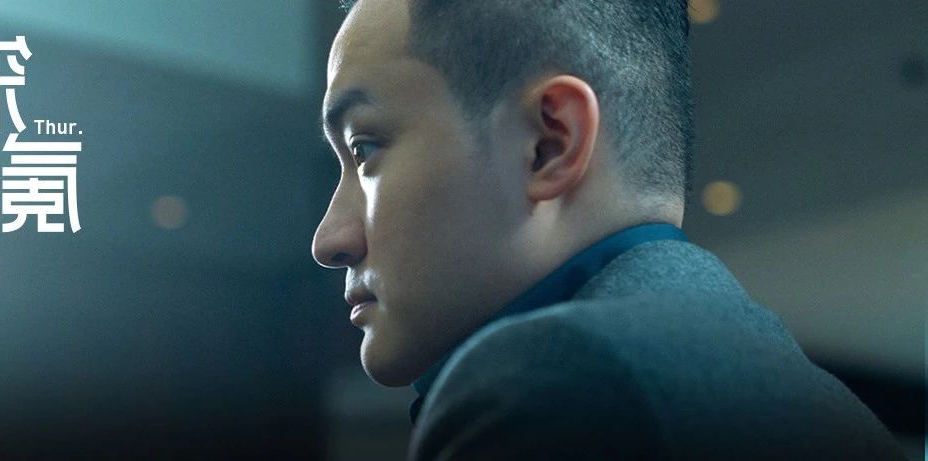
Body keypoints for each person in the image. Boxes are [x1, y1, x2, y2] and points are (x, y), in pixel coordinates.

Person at [311, 0, 905, 459]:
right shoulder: (836, 413)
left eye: (365, 149)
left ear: (548, 144)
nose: (330, 240)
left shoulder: (559, 386)